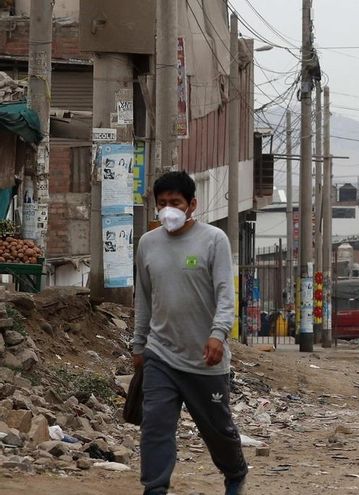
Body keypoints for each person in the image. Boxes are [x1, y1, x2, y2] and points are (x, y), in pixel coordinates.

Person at [132, 171, 248, 495]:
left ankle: (235, 472)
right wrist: (139, 345)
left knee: (217, 430)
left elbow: (226, 294)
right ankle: (155, 488)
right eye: (162, 203)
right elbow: (143, 298)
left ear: (192, 205)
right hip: (160, 354)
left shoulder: (214, 240)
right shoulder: (147, 244)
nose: (168, 209)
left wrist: (218, 334)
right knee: (155, 426)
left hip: (205, 358)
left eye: (176, 203)